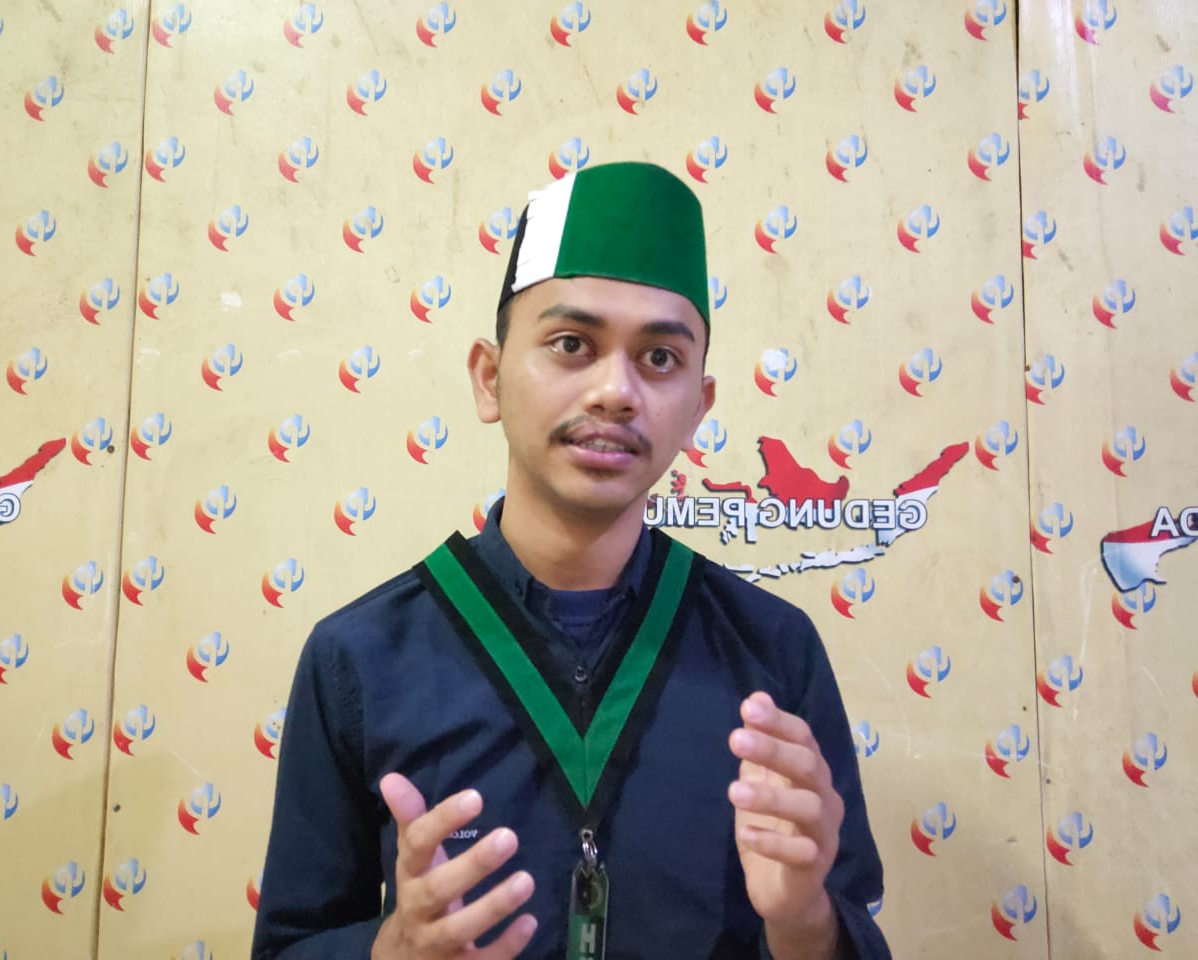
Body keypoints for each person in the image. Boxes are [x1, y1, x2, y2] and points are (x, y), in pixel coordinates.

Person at [252, 162, 890, 959]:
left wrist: (804, 922)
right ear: (489, 379)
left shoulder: (772, 652)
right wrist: (390, 952)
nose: (615, 390)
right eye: (571, 345)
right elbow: (289, 944)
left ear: (698, 409)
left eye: (660, 358)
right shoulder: (358, 658)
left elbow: (849, 923)